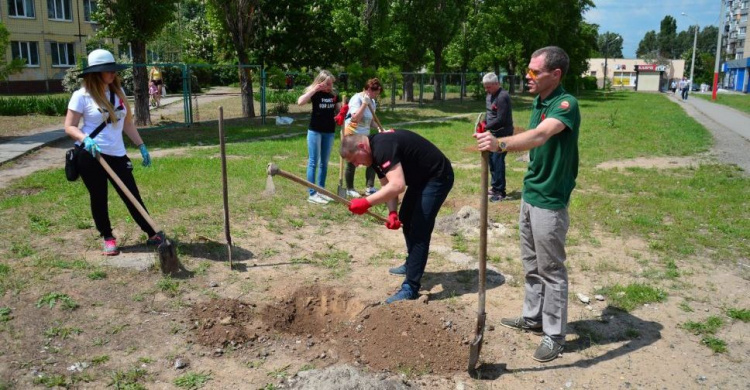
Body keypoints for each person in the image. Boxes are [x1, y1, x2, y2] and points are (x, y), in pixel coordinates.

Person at [474, 46, 580, 363]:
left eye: (534, 71)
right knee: (532, 265)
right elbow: (532, 137)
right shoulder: (539, 100)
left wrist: (500, 144)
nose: (527, 75)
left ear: (555, 74)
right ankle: (533, 318)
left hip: (550, 199)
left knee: (551, 270)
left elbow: (539, 136)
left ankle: (554, 334)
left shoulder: (565, 104)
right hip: (531, 193)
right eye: (528, 69)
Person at [64, 49, 162, 256]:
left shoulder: (119, 93)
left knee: (131, 194)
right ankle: (108, 237)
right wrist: (85, 139)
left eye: (113, 70)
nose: (112, 74)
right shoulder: (81, 96)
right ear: (95, 73)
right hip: (92, 155)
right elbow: (69, 127)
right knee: (99, 196)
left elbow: (127, 123)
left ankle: (152, 233)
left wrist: (140, 145)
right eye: (107, 70)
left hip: (117, 154)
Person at [342, 129, 454, 304]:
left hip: (437, 176)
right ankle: (412, 264)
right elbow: (387, 185)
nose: (356, 165)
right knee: (406, 217)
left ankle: (411, 287)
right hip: (420, 179)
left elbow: (398, 185)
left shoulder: (382, 147)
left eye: (355, 159)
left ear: (362, 146)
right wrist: (392, 212)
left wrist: (366, 202)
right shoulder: (373, 154)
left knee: (419, 230)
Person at [296, 70, 340, 205]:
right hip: (315, 131)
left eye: (331, 83)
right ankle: (312, 193)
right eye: (327, 84)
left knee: (324, 163)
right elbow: (300, 102)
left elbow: (339, 111)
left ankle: (321, 191)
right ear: (321, 82)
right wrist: (314, 89)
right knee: (313, 162)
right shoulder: (315, 93)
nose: (330, 86)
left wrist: (342, 113)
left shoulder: (333, 95)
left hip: (329, 132)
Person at [343, 78, 383, 198]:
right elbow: (355, 118)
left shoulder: (372, 101)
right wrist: (365, 104)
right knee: (352, 161)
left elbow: (370, 122)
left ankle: (369, 187)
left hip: (365, 135)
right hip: (353, 133)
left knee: (372, 159)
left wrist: (380, 128)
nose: (375, 96)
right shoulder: (357, 99)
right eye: (375, 93)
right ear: (369, 89)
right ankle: (350, 188)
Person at [479, 72, 514, 202]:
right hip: (492, 133)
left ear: (496, 83)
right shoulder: (489, 96)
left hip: (504, 135)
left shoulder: (502, 97)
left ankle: (500, 192)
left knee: (498, 161)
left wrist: (486, 126)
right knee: (492, 161)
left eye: (488, 87)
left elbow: (501, 119)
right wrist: (484, 123)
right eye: (485, 87)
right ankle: (495, 187)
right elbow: (490, 114)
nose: (486, 89)